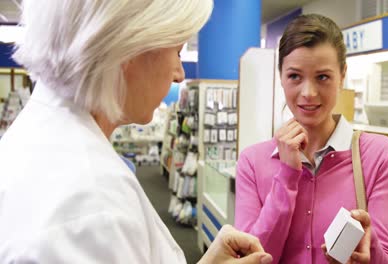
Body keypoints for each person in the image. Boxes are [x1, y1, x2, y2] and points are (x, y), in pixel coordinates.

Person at [0, 1, 273, 264]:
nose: (179, 74)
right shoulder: (92, 205)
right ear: (129, 48)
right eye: (177, 51)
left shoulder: (45, 135)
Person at [235, 14, 388, 264]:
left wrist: (370, 252)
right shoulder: (252, 161)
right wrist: (287, 175)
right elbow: (251, 259)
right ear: (280, 76)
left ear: (342, 75)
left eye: (322, 77)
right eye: (294, 76)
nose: (308, 93)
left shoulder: (379, 155)